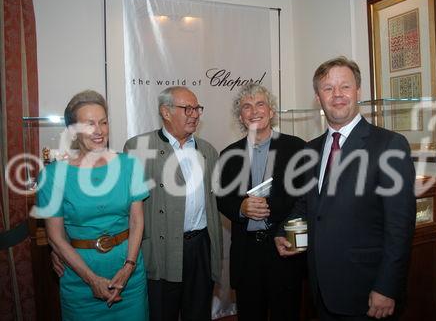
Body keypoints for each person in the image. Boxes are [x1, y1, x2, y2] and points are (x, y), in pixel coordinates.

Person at [275, 57, 416, 320]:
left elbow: (400, 226)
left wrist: (386, 286)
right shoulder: (311, 149)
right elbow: (305, 205)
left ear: (358, 91)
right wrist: (284, 231)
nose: (337, 94)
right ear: (318, 97)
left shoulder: (389, 145)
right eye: (328, 88)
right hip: (321, 288)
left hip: (367, 291)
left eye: (345, 87)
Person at [35, 90, 149, 320]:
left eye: (103, 122)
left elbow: (137, 220)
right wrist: (91, 280)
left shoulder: (129, 165)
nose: (99, 131)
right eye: (89, 124)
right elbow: (55, 236)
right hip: (79, 280)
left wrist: (129, 267)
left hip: (129, 276)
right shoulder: (52, 175)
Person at [123, 86, 223, 321]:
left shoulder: (208, 150)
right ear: (165, 112)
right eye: (187, 108)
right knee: (161, 314)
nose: (195, 114)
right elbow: (126, 207)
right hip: (161, 250)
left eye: (197, 108)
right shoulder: (137, 149)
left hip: (200, 248)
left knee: (198, 314)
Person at [216, 83, 306, 321]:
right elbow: (222, 199)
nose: (254, 111)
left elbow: (305, 198)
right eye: (247, 106)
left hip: (284, 248)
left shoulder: (296, 148)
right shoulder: (228, 155)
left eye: (260, 104)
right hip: (247, 256)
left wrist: (273, 210)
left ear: (271, 111)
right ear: (241, 117)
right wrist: (240, 208)